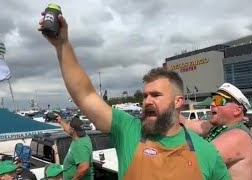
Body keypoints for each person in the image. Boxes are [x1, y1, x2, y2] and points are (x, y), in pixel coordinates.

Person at [38, 15, 230, 180]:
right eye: (145, 95)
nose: (147, 101)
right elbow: (86, 95)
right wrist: (62, 45)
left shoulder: (207, 154)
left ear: (178, 101)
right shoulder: (128, 130)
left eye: (156, 95)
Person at [201, 83, 252, 180]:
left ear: (237, 110)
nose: (212, 104)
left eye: (218, 100)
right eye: (213, 99)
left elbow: (196, 159)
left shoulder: (239, 136)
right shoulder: (220, 128)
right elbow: (188, 124)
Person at [55, 114, 94, 180]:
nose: (67, 126)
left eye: (68, 124)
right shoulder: (84, 136)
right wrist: (60, 121)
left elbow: (84, 166)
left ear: (73, 130)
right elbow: (69, 130)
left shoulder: (80, 145)